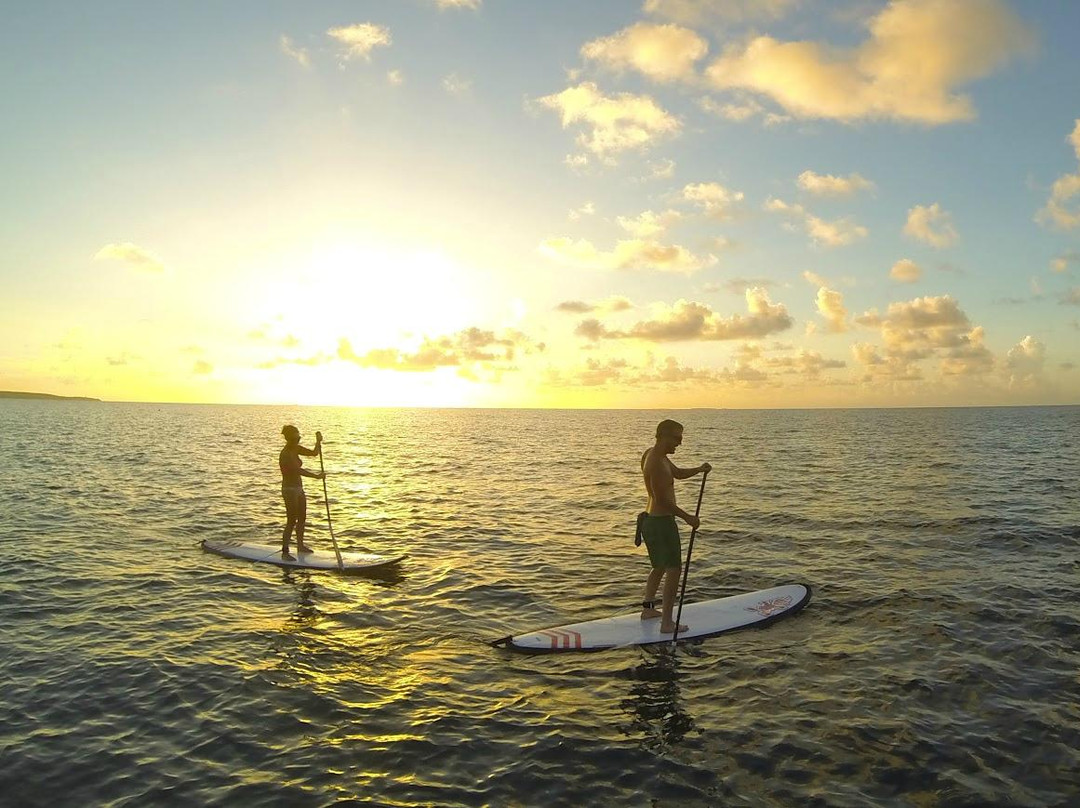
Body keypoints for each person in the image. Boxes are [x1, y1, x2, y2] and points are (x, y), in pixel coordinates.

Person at [639, 419, 711, 634]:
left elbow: (677, 473)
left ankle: (648, 609)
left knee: (659, 566)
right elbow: (663, 501)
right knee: (674, 570)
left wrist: (699, 469)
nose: (679, 443)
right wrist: (688, 517)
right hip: (661, 523)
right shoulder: (657, 464)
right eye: (677, 438)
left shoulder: (653, 455)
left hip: (650, 521)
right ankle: (667, 623)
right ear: (663, 436)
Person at [279, 425, 324, 560]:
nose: (298, 439)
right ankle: (285, 552)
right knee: (292, 520)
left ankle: (300, 545)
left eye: (298, 436)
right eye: (295, 437)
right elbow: (297, 470)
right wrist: (316, 476)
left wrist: (318, 442)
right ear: (289, 438)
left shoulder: (296, 449)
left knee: (302, 518)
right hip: (289, 489)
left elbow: (314, 453)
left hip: (299, 488)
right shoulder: (286, 453)